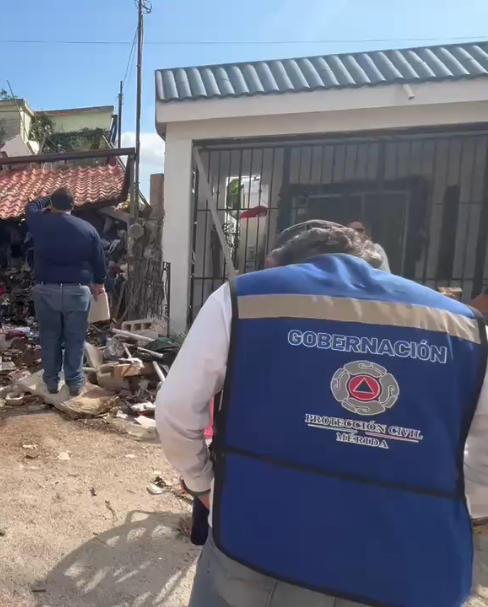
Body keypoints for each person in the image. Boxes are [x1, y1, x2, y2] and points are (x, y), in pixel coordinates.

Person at [156, 220, 488, 607]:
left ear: (285, 264)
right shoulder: (462, 326)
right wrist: (469, 512)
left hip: (257, 543)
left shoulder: (243, 298)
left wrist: (202, 484)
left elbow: (176, 409)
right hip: (408, 564)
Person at [25, 188, 107, 396]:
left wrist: (46, 199)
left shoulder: (39, 222)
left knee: (50, 337)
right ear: (73, 206)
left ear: (52, 205)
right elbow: (99, 261)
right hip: (77, 292)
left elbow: (31, 206)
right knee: (75, 338)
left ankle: (52, 382)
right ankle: (74, 383)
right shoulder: (88, 229)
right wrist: (99, 283)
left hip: (46, 290)